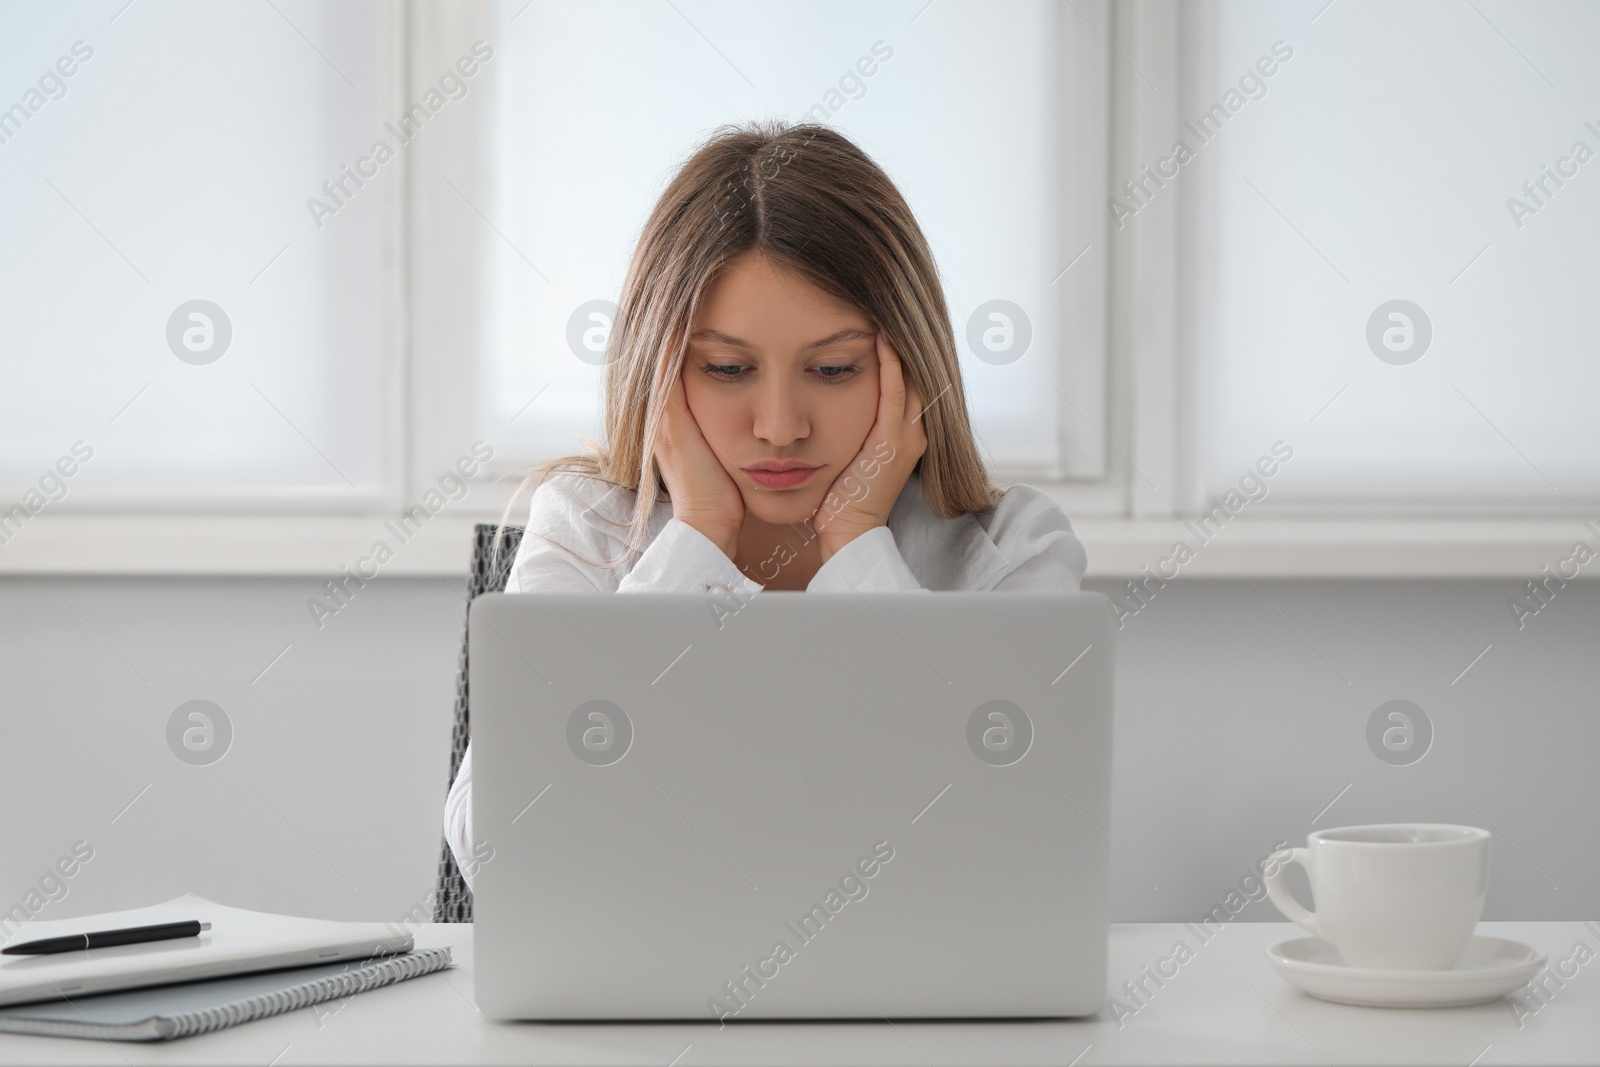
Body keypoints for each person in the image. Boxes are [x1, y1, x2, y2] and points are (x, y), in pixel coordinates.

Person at [444, 119, 1088, 890]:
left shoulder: (1016, 549)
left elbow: (1020, 849)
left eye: (834, 368)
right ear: (660, 372)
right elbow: (501, 850)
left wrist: (856, 546)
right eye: (725, 367)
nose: (781, 427)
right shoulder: (586, 526)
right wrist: (694, 544)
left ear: (912, 371)